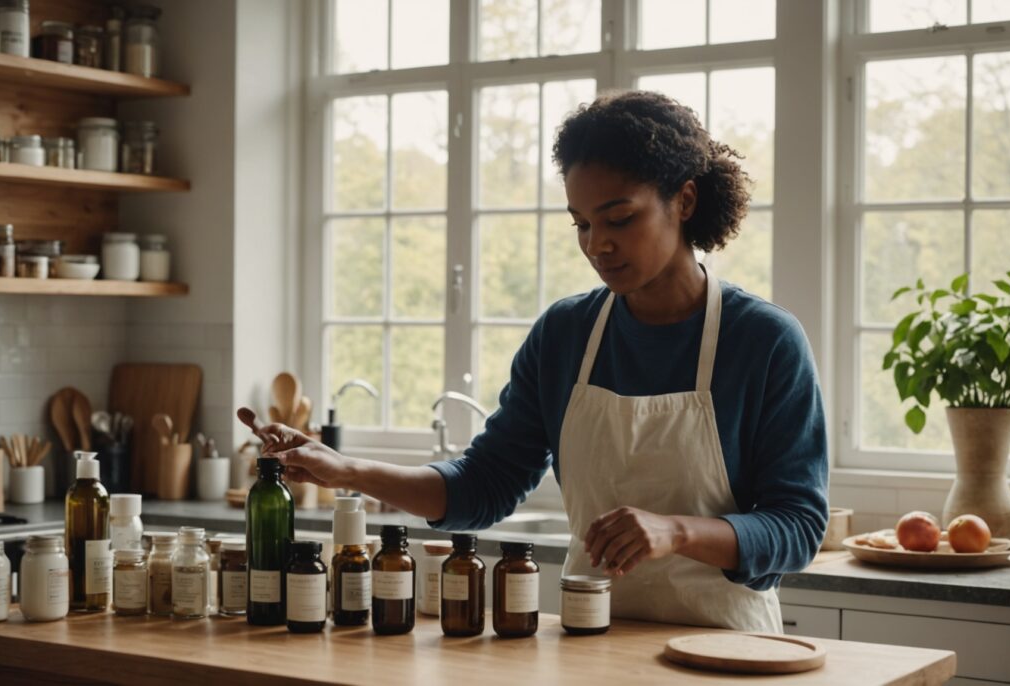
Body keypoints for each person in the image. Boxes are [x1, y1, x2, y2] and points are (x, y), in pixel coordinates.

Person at [241, 90, 828, 633]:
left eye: (619, 218)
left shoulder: (765, 341)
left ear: (686, 200)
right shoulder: (565, 334)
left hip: (723, 647)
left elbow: (797, 526)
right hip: (588, 639)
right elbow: (483, 486)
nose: (597, 244)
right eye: (582, 223)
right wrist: (346, 471)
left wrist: (674, 531)